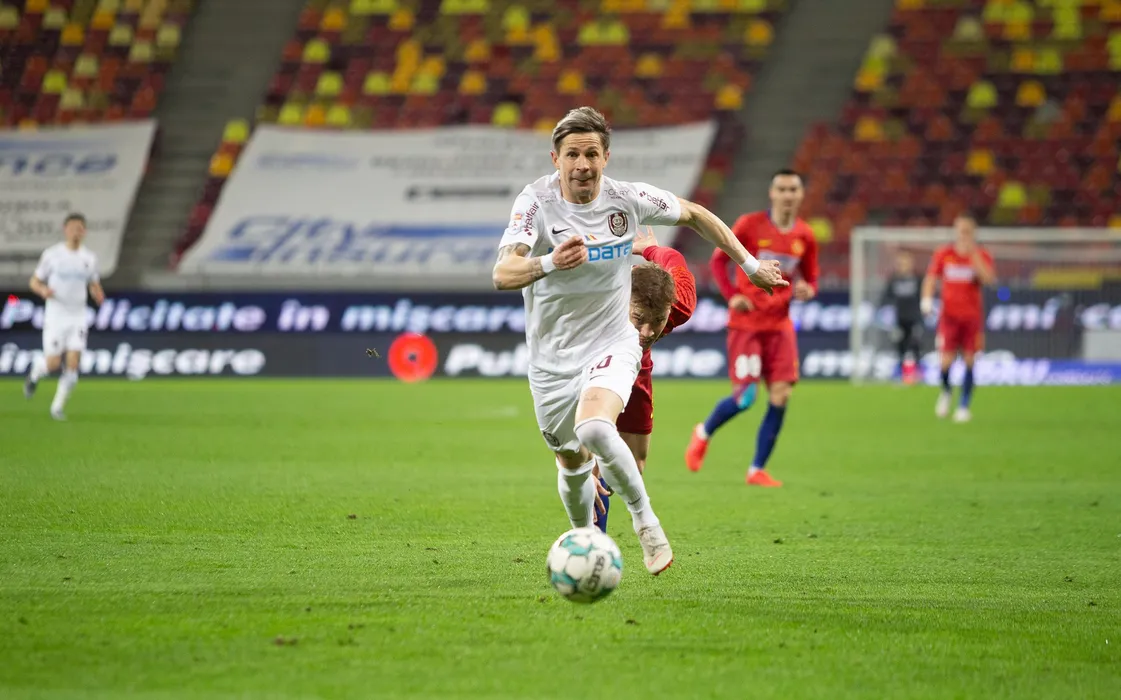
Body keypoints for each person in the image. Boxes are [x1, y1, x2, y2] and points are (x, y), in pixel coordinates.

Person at [492, 107, 786, 574]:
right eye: (573, 155)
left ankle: (646, 522)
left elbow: (694, 214)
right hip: (551, 358)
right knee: (571, 462)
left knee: (594, 429)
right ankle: (586, 542)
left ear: (606, 157)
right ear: (555, 159)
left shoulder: (627, 199)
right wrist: (549, 263)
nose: (582, 165)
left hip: (613, 339)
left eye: (592, 154)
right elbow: (503, 273)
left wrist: (750, 266)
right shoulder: (535, 204)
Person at [684, 169, 818, 487]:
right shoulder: (750, 225)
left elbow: (811, 278)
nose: (787, 195)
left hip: (780, 325)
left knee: (781, 395)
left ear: (801, 194)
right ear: (772, 193)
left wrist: (807, 289)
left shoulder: (805, 235)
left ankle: (757, 469)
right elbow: (718, 261)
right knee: (745, 398)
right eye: (782, 189)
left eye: (793, 189)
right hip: (747, 324)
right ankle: (703, 431)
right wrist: (732, 295)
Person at [594, 225, 698, 533]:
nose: (647, 332)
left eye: (658, 322)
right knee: (593, 454)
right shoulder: (600, 302)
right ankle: (593, 538)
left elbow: (674, 259)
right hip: (593, 364)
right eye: (638, 320)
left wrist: (649, 249)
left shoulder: (680, 305)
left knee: (634, 465)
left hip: (638, 369)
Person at [24, 213, 105, 420]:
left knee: (73, 364)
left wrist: (98, 294)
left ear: (84, 232)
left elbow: (93, 283)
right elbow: (34, 281)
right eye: (73, 228)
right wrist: (43, 290)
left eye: (80, 228)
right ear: (65, 230)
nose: (76, 232)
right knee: (52, 363)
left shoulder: (89, 258)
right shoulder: (52, 255)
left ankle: (57, 408)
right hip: (56, 316)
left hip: (78, 316)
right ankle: (35, 373)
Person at [920, 214, 995, 422]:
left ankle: (963, 406)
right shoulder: (944, 254)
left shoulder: (981, 255)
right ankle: (946, 391)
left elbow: (988, 279)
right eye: (960, 231)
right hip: (949, 318)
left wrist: (974, 255)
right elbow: (931, 278)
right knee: (945, 362)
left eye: (967, 231)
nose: (963, 235)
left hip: (971, 318)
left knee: (970, 360)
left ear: (973, 233)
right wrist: (926, 300)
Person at [881, 251, 925, 385]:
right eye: (900, 263)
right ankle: (902, 375)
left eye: (906, 263)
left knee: (915, 345)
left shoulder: (917, 279)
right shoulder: (894, 281)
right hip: (899, 319)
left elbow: (924, 297)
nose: (903, 266)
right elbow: (887, 298)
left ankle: (917, 374)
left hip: (915, 318)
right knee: (900, 346)